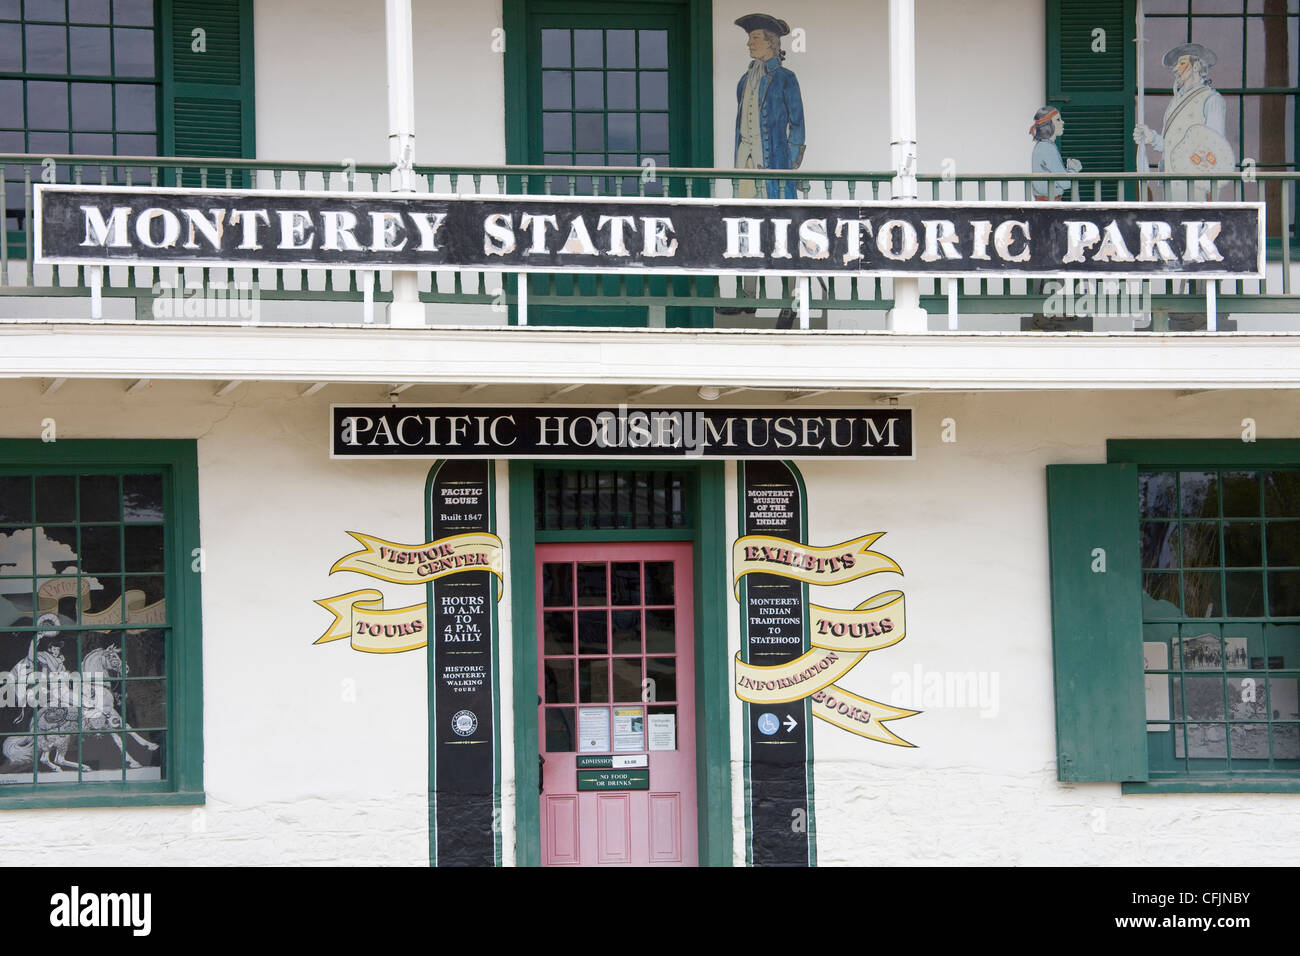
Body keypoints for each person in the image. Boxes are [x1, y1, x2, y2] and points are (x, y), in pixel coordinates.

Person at [722, 13, 806, 319]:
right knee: (744, 228)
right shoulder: (745, 80)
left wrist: (792, 161)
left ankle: (789, 302)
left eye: (755, 37)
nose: (749, 42)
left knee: (781, 233)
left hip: (774, 165)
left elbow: (796, 123)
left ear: (770, 43)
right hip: (746, 164)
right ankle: (747, 296)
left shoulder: (785, 79)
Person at [1133, 42, 1233, 202]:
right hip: (1171, 179)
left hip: (1196, 183)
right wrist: (1151, 137)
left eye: (1181, 63)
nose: (1175, 69)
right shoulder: (1175, 103)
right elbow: (1169, 144)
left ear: (1196, 66)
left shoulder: (1211, 99)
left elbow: (1214, 145)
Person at [1029, 107, 1082, 200]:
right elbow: (1065, 183)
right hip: (1049, 203)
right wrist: (1073, 170)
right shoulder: (1047, 148)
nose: (1062, 122)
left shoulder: (1045, 146)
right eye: (1058, 120)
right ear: (1048, 125)